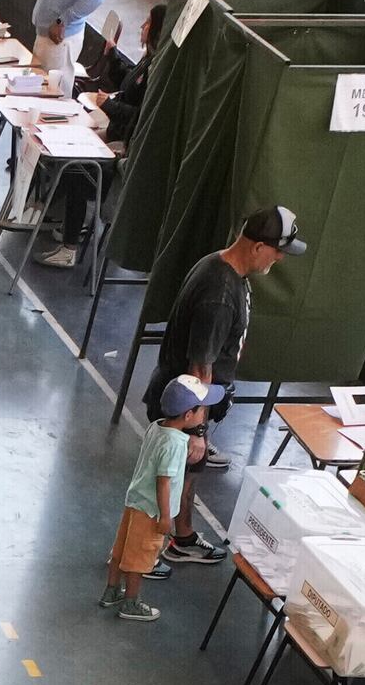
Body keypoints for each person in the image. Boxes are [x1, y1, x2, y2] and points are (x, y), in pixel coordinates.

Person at [104, 373, 216, 622]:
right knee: (140, 558)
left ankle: (111, 591)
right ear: (188, 415)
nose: (203, 416)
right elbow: (163, 481)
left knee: (121, 549)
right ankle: (131, 602)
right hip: (153, 511)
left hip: (136, 500)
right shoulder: (175, 444)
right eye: (201, 411)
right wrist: (166, 517)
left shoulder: (157, 427)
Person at [163, 203, 292, 416]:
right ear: (258, 247)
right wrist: (197, 427)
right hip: (185, 413)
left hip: (183, 410)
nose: (280, 257)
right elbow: (198, 371)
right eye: (278, 250)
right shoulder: (219, 296)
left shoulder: (218, 263)